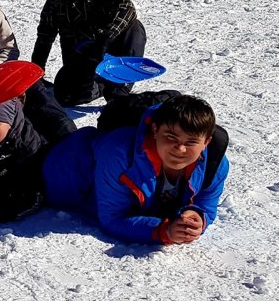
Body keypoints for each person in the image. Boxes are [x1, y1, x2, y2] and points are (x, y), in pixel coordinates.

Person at [42, 95, 228, 244]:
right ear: (155, 130)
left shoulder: (214, 165)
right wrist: (163, 231)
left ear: (206, 142)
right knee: (34, 124)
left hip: (83, 144)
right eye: (171, 137)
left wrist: (196, 217)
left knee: (53, 119)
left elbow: (206, 206)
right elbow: (113, 218)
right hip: (52, 168)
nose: (180, 149)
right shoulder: (120, 155)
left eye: (191, 142)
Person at [31, 0, 147, 106]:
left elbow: (127, 8)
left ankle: (120, 86)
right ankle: (100, 86)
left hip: (111, 52)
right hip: (80, 58)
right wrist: (37, 74)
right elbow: (45, 37)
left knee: (133, 26)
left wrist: (105, 38)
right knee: (66, 96)